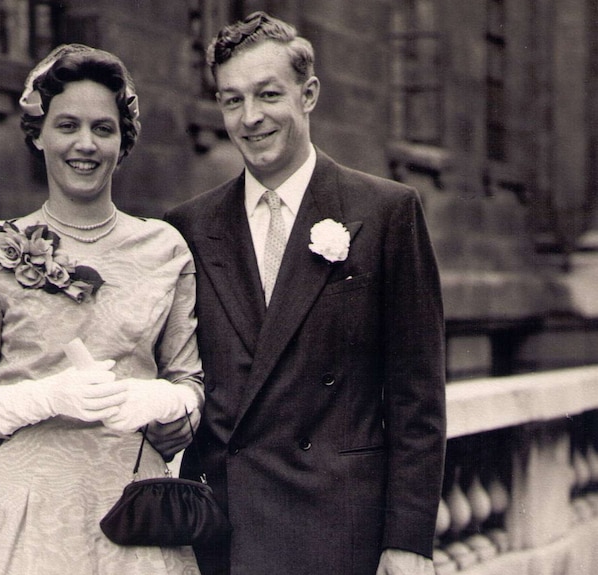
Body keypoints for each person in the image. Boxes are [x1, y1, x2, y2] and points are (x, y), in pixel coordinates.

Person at [156, 11, 447, 575]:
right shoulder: (187, 227)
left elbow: (418, 397)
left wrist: (408, 540)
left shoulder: (386, 212)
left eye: (268, 95)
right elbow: (176, 374)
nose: (250, 118)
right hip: (223, 532)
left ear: (308, 94)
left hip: (341, 530)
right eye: (231, 99)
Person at [0, 44, 204, 575]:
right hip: (29, 507)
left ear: (121, 142)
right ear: (38, 134)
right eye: (67, 126)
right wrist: (44, 396)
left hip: (134, 510)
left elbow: (190, 385)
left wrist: (161, 403)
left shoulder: (165, 249)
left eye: (103, 129)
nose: (85, 144)